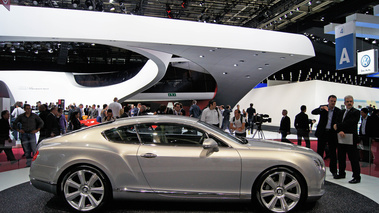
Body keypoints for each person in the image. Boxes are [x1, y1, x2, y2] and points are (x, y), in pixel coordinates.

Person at [333, 95, 361, 184]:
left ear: (353, 102)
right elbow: (337, 121)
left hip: (351, 138)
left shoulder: (356, 112)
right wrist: (340, 130)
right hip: (341, 137)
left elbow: (350, 123)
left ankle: (356, 176)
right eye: (347, 101)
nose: (349, 103)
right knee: (341, 156)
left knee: (353, 158)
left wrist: (338, 127)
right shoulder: (341, 112)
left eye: (351, 101)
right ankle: (341, 173)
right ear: (344, 103)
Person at [311, 95, 340, 178]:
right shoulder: (323, 108)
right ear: (328, 101)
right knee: (320, 152)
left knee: (333, 153)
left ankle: (334, 171)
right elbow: (313, 112)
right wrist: (321, 109)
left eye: (334, 101)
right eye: (331, 101)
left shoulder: (338, 111)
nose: (333, 103)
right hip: (322, 133)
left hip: (332, 133)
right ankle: (318, 170)